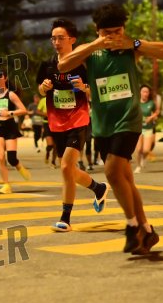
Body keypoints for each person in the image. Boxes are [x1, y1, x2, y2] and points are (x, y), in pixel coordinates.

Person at [57, 3, 163, 255]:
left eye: (117, 31)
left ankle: (131, 227)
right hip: (103, 125)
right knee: (126, 179)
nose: (113, 36)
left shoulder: (131, 48)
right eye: (107, 32)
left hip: (128, 120)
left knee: (111, 172)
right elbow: (63, 65)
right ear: (97, 31)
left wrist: (133, 43)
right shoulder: (91, 52)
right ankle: (147, 231)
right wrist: (95, 45)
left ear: (124, 29)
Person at [37, 18, 110, 232]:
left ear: (72, 40)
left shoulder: (83, 64)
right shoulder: (48, 64)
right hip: (56, 121)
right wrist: (44, 88)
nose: (56, 42)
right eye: (53, 38)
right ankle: (98, 188)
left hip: (78, 119)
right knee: (68, 169)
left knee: (66, 167)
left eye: (61, 38)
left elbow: (97, 91)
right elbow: (39, 91)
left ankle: (65, 218)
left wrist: (84, 87)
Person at [0, 69, 31, 194]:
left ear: (5, 78)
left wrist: (10, 113)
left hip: (10, 127)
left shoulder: (11, 95)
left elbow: (23, 110)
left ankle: (18, 166)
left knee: (11, 158)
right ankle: (6, 185)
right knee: (0, 157)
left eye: (0, 77)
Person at [134, 85, 159, 174]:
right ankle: (138, 166)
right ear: (140, 92)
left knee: (146, 150)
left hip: (148, 128)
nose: (145, 93)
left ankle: (143, 158)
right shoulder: (136, 103)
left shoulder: (151, 103)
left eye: (147, 92)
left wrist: (151, 117)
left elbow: (156, 112)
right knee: (138, 149)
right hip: (138, 128)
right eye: (143, 91)